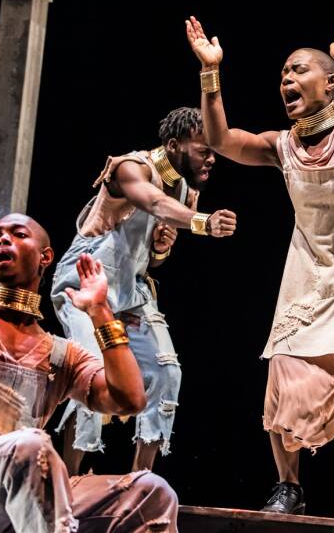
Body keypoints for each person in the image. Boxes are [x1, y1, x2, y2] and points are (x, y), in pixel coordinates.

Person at [185, 9, 334, 521]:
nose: (286, 80)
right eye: (282, 75)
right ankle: (288, 484)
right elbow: (221, 140)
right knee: (285, 368)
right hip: (310, 268)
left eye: (298, 70)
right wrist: (210, 71)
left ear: (330, 82)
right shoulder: (282, 146)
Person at [0, 213, 177, 532]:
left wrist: (100, 313)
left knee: (151, 491)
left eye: (18, 234)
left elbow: (130, 399)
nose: (3, 239)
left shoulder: (61, 355)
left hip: (13, 499)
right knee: (30, 447)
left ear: (46, 257)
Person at [52, 106, 236, 474]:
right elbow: (152, 202)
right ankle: (67, 484)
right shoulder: (130, 167)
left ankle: (140, 481)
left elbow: (150, 259)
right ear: (174, 145)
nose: (212, 159)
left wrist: (161, 249)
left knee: (166, 372)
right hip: (85, 281)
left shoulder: (184, 189)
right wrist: (203, 223)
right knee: (92, 371)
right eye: (204, 150)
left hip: (129, 289)